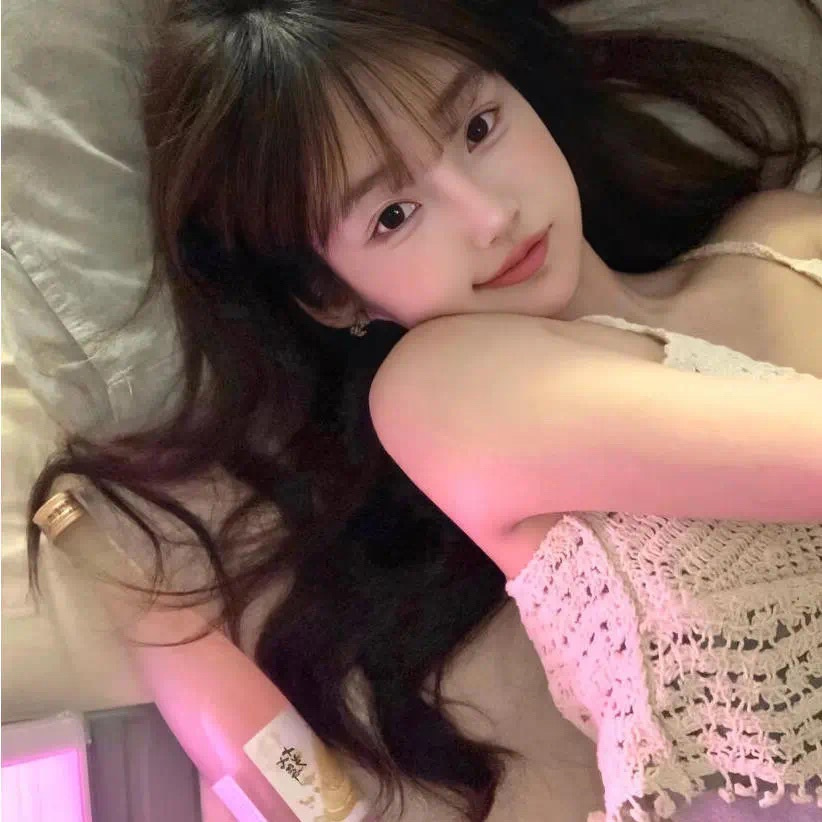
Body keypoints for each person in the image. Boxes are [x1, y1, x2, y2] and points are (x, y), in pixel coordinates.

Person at [26, 0, 822, 820]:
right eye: (393, 216)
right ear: (333, 296)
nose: (490, 216)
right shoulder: (441, 392)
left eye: (479, 128)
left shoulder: (784, 235)